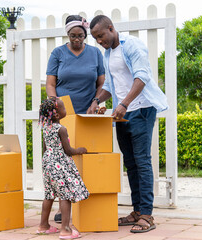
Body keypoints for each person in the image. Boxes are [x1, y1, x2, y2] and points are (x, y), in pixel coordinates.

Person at [89, 15, 168, 233]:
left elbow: (141, 77)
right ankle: (136, 211)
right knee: (131, 163)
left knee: (142, 161)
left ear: (111, 29)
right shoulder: (108, 53)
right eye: (96, 38)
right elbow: (111, 87)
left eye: (101, 36)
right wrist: (96, 101)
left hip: (141, 109)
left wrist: (124, 103)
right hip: (122, 113)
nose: (99, 41)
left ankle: (147, 215)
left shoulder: (132, 45)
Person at [46, 14, 105, 223]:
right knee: (64, 163)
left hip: (87, 115)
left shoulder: (95, 54)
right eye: (73, 36)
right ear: (67, 34)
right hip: (65, 116)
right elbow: (51, 83)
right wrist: (55, 106)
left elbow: (102, 83)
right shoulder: (58, 53)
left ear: (85, 35)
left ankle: (87, 205)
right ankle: (65, 208)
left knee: (86, 159)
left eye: (80, 36)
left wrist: (96, 101)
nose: (77, 40)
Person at [36, 97, 89, 239]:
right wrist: (80, 150)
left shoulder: (45, 128)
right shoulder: (61, 129)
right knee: (65, 195)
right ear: (58, 115)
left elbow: (45, 149)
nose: (66, 109)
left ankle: (43, 225)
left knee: (49, 194)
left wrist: (48, 164)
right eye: (64, 107)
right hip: (59, 164)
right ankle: (65, 229)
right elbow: (68, 150)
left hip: (47, 163)